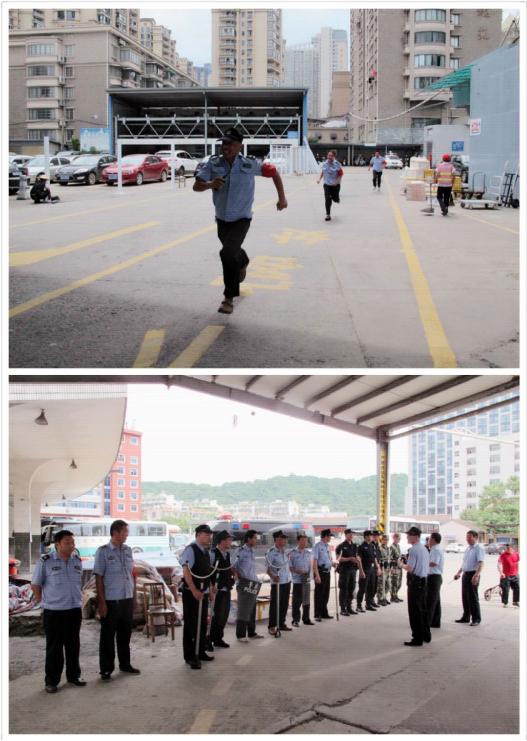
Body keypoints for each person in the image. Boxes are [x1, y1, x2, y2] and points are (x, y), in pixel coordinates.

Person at [193, 127, 288, 315]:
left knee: (226, 252)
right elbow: (196, 186)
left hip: (241, 219)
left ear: (239, 146)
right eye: (224, 143)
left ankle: (228, 298)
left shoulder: (249, 164)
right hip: (222, 219)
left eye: (230, 144)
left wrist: (282, 198)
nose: (226, 147)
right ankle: (243, 261)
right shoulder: (212, 163)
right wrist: (210, 184)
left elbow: (274, 173)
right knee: (232, 252)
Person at [31, 529, 85, 693]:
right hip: (54, 611)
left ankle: (74, 676)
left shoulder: (77, 561)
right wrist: (42, 601)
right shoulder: (45, 561)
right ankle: (52, 681)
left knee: (73, 645)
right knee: (54, 647)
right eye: (67, 542)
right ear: (58, 544)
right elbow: (36, 584)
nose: (72, 545)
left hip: (74, 610)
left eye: (73, 542)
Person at [94, 519, 140, 680]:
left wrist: (134, 597)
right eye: (124, 531)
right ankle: (106, 669)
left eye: (127, 532)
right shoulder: (103, 552)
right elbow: (99, 578)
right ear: (115, 532)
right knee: (107, 636)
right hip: (111, 601)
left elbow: (132, 575)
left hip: (127, 599)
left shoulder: (128, 550)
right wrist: (102, 603)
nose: (127, 535)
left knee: (125, 634)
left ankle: (125, 664)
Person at [179, 524, 215, 669]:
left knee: (202, 623)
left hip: (203, 592)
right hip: (191, 593)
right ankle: (190, 656)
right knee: (191, 625)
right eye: (206, 535)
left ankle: (200, 652)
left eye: (210, 535)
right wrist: (194, 590)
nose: (209, 538)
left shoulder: (206, 551)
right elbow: (186, 571)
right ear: (198, 535)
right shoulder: (191, 550)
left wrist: (210, 589)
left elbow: (208, 572)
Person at [232, 529, 264, 642]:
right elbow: (232, 566)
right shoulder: (240, 551)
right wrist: (238, 576)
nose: (256, 540)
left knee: (251, 609)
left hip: (253, 583)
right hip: (244, 583)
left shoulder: (252, 551)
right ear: (249, 539)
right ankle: (240, 635)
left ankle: (251, 632)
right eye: (255, 538)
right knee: (243, 610)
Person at [401, 526, 431, 647]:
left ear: (416, 536)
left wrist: (401, 565)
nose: (407, 537)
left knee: (415, 612)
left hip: (415, 583)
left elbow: (410, 568)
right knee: (422, 610)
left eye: (409, 535)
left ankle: (417, 638)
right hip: (423, 582)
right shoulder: (424, 548)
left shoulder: (413, 550)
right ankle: (426, 635)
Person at [209, 530, 235, 648]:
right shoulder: (213, 554)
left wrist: (232, 576)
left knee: (224, 615)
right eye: (229, 540)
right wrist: (211, 586)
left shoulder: (227, 554)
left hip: (226, 588)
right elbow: (208, 571)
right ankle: (209, 640)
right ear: (222, 541)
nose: (231, 542)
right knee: (216, 615)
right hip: (216, 590)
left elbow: (227, 569)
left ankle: (218, 639)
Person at [454, 529, 485, 626]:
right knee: (465, 597)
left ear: (476, 537)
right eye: (467, 537)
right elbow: (464, 563)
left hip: (473, 574)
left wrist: (476, 575)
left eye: (469, 537)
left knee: (473, 597)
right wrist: (458, 573)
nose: (467, 539)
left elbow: (481, 563)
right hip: (465, 574)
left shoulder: (478, 548)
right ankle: (466, 617)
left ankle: (476, 619)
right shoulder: (468, 548)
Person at [266, 530, 292, 634]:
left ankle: (281, 623)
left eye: (285, 539)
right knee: (275, 605)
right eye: (282, 538)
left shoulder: (285, 552)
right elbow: (267, 569)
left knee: (284, 604)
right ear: (276, 539)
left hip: (286, 581)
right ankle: (272, 626)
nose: (284, 541)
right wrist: (273, 576)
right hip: (277, 583)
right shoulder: (271, 552)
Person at [289, 533, 315, 626]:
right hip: (297, 580)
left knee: (306, 600)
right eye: (303, 541)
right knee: (297, 601)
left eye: (306, 541)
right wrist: (298, 571)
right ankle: (295, 620)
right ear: (298, 541)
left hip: (306, 580)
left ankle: (306, 619)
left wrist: (312, 576)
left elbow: (311, 566)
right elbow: (290, 567)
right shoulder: (292, 553)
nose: (305, 542)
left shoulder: (309, 553)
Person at [312, 529, 336, 621]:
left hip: (327, 572)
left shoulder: (328, 546)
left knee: (326, 594)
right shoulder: (317, 546)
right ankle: (317, 614)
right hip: (320, 572)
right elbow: (314, 562)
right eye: (329, 536)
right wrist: (317, 575)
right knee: (319, 594)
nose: (330, 538)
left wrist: (332, 564)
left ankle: (324, 613)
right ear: (325, 536)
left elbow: (328, 559)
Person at [335, 529, 359, 615]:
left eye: (352, 534)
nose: (351, 535)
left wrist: (357, 560)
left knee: (351, 588)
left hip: (353, 570)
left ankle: (349, 607)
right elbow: (338, 558)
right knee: (344, 589)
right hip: (344, 570)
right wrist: (350, 559)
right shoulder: (341, 546)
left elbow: (357, 557)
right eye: (350, 534)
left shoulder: (355, 546)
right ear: (346, 535)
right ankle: (343, 609)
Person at [356, 530, 380, 612]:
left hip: (372, 569)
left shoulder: (372, 546)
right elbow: (359, 560)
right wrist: (361, 571)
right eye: (370, 535)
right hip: (365, 569)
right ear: (366, 536)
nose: (371, 537)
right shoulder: (361, 547)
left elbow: (375, 558)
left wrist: (378, 568)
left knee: (371, 588)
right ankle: (359, 606)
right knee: (362, 588)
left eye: (371, 535)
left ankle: (368, 604)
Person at [316, 150, 344, 221]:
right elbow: (323, 172)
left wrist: (336, 182)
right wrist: (319, 179)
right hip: (327, 184)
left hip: (335, 185)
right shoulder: (324, 163)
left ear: (334, 156)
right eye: (328, 155)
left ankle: (336, 198)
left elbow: (340, 174)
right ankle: (328, 215)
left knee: (335, 199)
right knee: (327, 198)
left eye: (331, 156)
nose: (329, 157)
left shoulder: (337, 164)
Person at [427, 532, 444, 629]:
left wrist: (423, 561)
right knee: (436, 601)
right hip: (435, 577)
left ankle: (428, 622)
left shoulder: (436, 549)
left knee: (431, 601)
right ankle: (435, 622)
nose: (428, 540)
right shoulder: (435, 549)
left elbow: (434, 563)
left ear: (433, 539)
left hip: (434, 577)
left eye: (430, 538)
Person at [498, 543, 519, 608]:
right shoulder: (503, 555)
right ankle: (505, 603)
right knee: (506, 589)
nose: (507, 549)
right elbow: (499, 564)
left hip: (515, 574)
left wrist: (517, 571)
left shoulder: (516, 554)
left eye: (509, 548)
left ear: (512, 548)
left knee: (517, 588)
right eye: (506, 548)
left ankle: (515, 601)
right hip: (506, 575)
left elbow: (517, 562)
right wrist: (501, 573)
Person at [376, 534, 391, 606]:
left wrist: (390, 567)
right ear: (381, 540)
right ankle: (380, 599)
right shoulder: (379, 548)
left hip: (387, 568)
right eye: (384, 540)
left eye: (387, 540)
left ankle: (384, 597)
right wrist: (379, 568)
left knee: (388, 585)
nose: (385, 541)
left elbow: (389, 558)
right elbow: (378, 559)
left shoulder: (388, 548)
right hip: (382, 568)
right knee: (381, 585)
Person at [389, 533, 404, 603]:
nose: (399, 539)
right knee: (394, 582)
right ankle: (393, 597)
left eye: (399, 538)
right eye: (398, 538)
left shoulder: (398, 546)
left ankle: (396, 595)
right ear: (394, 538)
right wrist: (391, 567)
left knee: (399, 583)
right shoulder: (391, 547)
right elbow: (389, 558)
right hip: (394, 567)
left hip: (399, 567)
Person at [371, 530, 383, 605]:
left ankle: (372, 599)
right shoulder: (371, 544)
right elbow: (373, 557)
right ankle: (370, 601)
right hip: (372, 567)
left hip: (377, 567)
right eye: (375, 536)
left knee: (375, 585)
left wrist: (380, 568)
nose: (376, 537)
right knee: (371, 585)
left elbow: (379, 557)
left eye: (377, 536)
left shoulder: (378, 545)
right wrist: (378, 567)